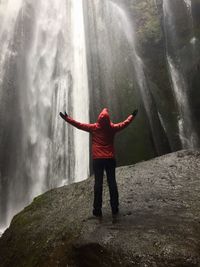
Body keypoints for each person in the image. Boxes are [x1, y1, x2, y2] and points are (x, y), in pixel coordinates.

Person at [59, 108, 138, 220]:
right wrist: (132, 115)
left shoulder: (94, 128)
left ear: (99, 119)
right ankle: (114, 208)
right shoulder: (112, 128)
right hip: (110, 159)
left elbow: (79, 125)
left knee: (98, 184)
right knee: (112, 183)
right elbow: (125, 124)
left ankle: (97, 210)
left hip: (98, 160)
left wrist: (67, 118)